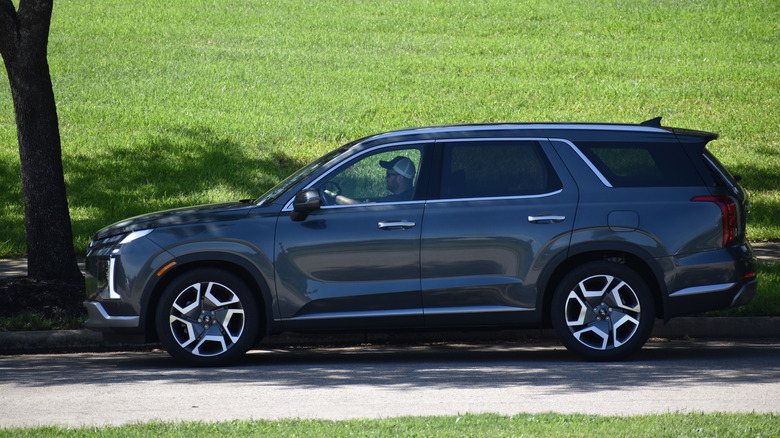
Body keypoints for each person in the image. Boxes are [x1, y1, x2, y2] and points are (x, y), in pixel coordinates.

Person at [325, 156, 416, 205]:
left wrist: (333, 197)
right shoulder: (409, 195)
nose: (386, 178)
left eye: (389, 175)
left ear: (400, 178)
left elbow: (359, 208)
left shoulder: (396, 201)